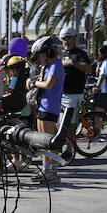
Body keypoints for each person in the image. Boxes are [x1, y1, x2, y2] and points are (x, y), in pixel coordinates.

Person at [29, 35, 64, 182]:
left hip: (50, 107)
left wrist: (35, 84)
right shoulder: (50, 66)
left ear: (48, 52)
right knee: (42, 142)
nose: (40, 58)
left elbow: (48, 84)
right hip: (43, 106)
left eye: (41, 55)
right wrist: (32, 80)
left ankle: (53, 172)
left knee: (49, 142)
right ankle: (45, 170)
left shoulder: (56, 65)